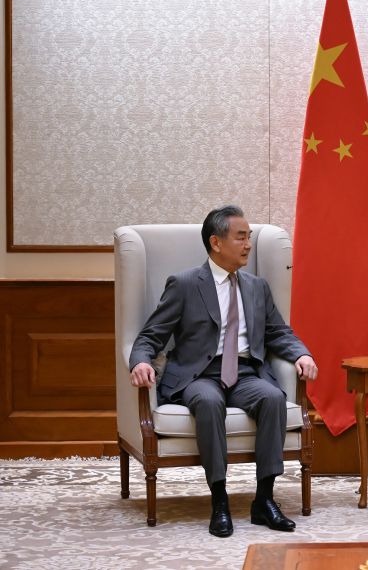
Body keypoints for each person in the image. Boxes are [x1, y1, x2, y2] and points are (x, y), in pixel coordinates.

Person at [128, 205, 318, 538]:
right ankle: (219, 500)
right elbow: (151, 335)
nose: (248, 245)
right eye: (240, 237)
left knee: (273, 397)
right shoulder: (185, 284)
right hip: (199, 375)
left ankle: (264, 500)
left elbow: (278, 332)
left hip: (245, 373)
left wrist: (301, 353)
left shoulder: (256, 286)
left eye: (249, 237)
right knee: (207, 402)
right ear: (216, 242)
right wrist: (141, 361)